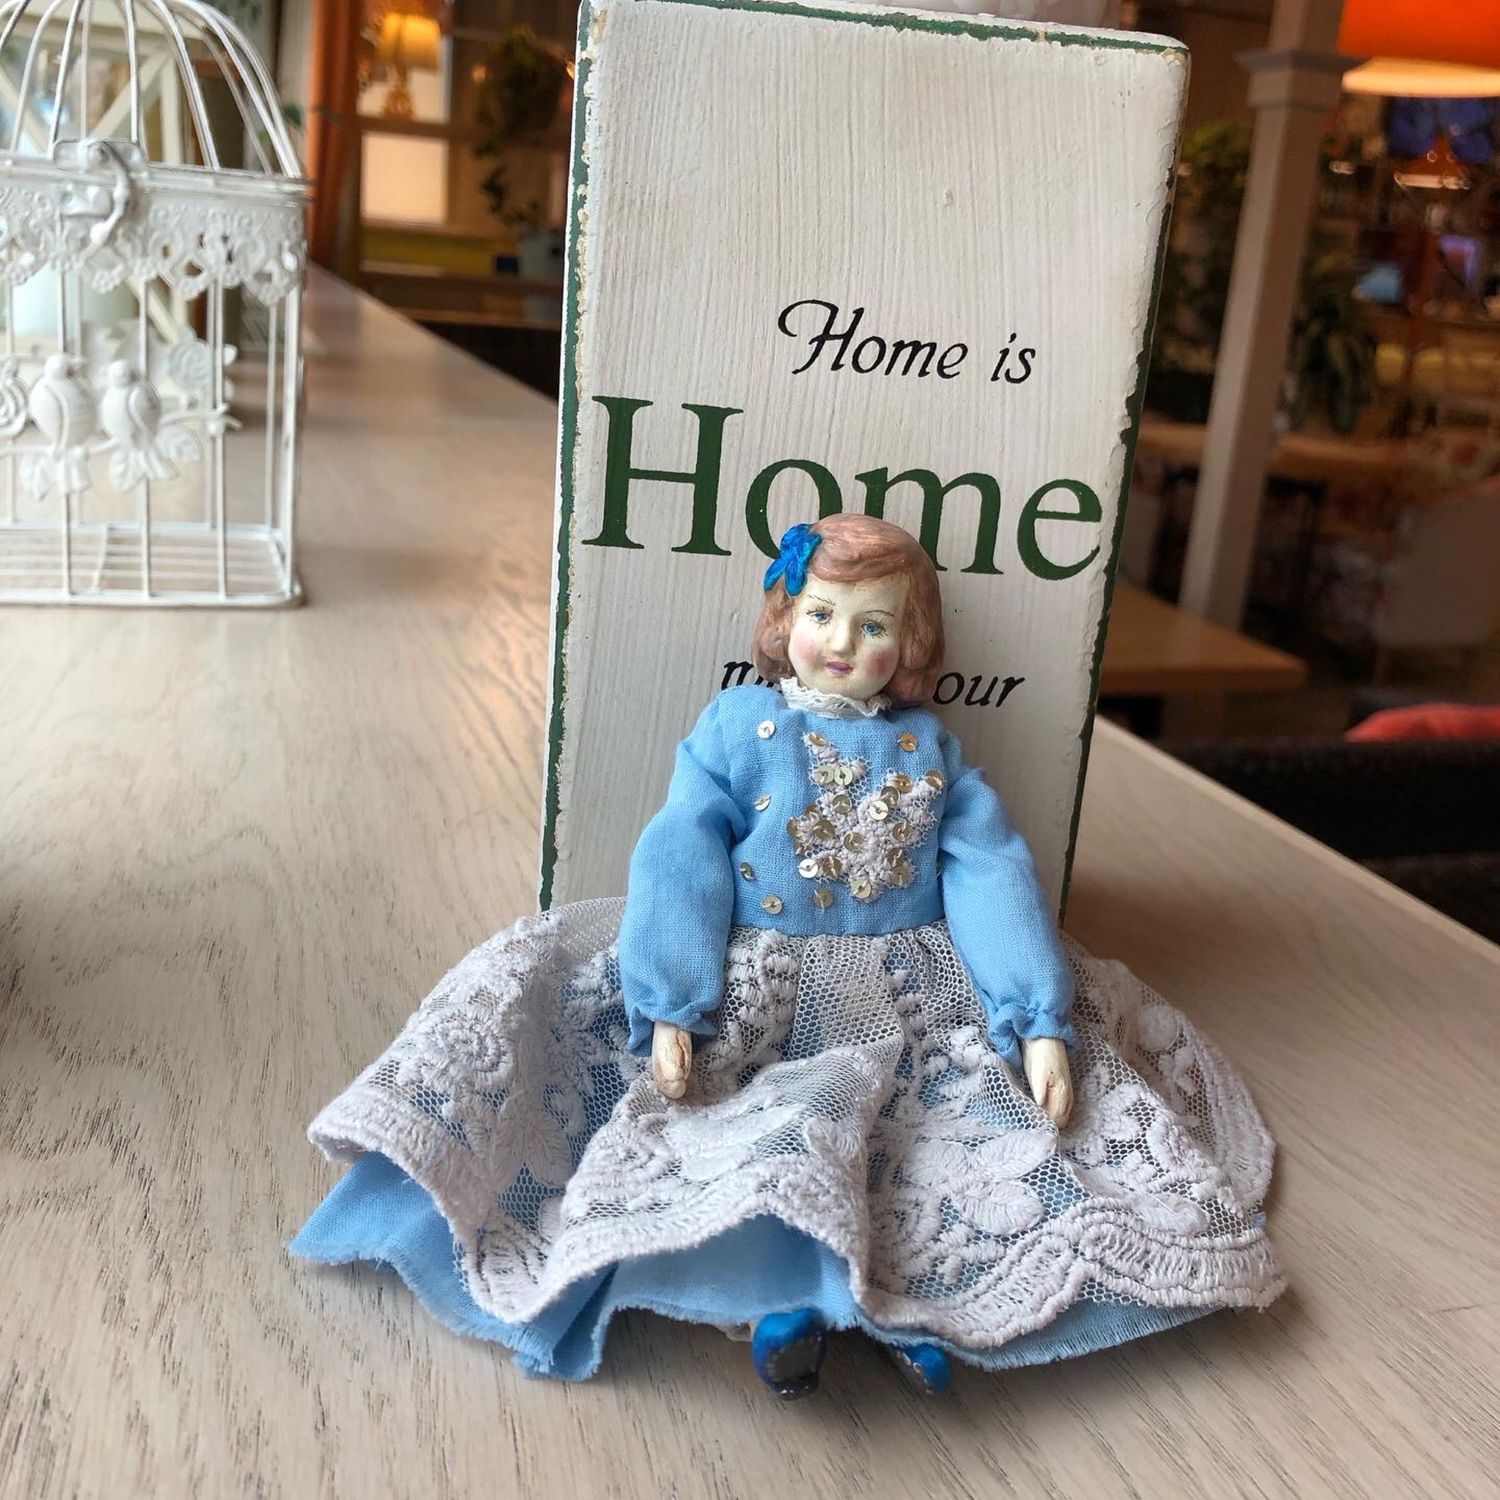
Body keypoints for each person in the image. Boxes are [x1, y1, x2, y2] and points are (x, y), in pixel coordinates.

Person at [294, 515, 1282, 1397]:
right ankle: (785, 1309)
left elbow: (989, 871)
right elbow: (682, 856)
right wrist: (673, 1001)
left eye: (873, 625)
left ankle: (917, 1315)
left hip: (907, 987)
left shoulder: (930, 751)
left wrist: (1034, 1014)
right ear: (785, 618)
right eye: (821, 615)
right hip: (762, 985)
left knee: (921, 1152)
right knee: (756, 1133)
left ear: (910, 645)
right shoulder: (737, 727)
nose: (842, 643)